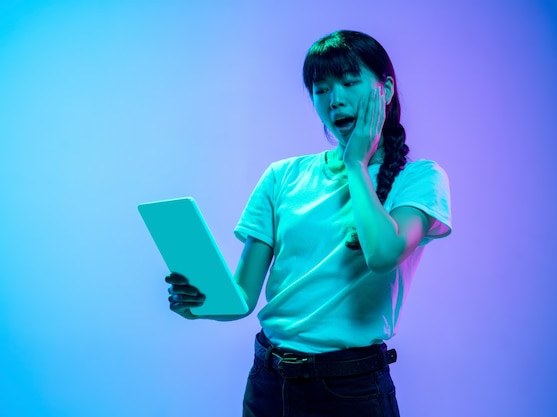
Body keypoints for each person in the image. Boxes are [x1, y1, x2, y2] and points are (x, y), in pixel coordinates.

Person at [166, 30, 452, 417]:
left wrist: (356, 164)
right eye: (321, 90)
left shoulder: (420, 179)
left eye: (350, 83)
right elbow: (242, 299)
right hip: (268, 382)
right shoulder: (282, 176)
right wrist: (199, 303)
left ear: (385, 89)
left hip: (349, 391)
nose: (335, 100)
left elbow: (383, 253)